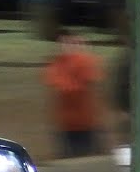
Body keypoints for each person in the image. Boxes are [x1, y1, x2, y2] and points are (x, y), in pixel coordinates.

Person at [43, 28, 103, 157]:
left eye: (70, 43)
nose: (65, 46)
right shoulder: (57, 63)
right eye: (62, 43)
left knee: (87, 160)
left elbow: (88, 80)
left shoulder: (85, 61)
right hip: (66, 124)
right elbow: (54, 82)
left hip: (86, 122)